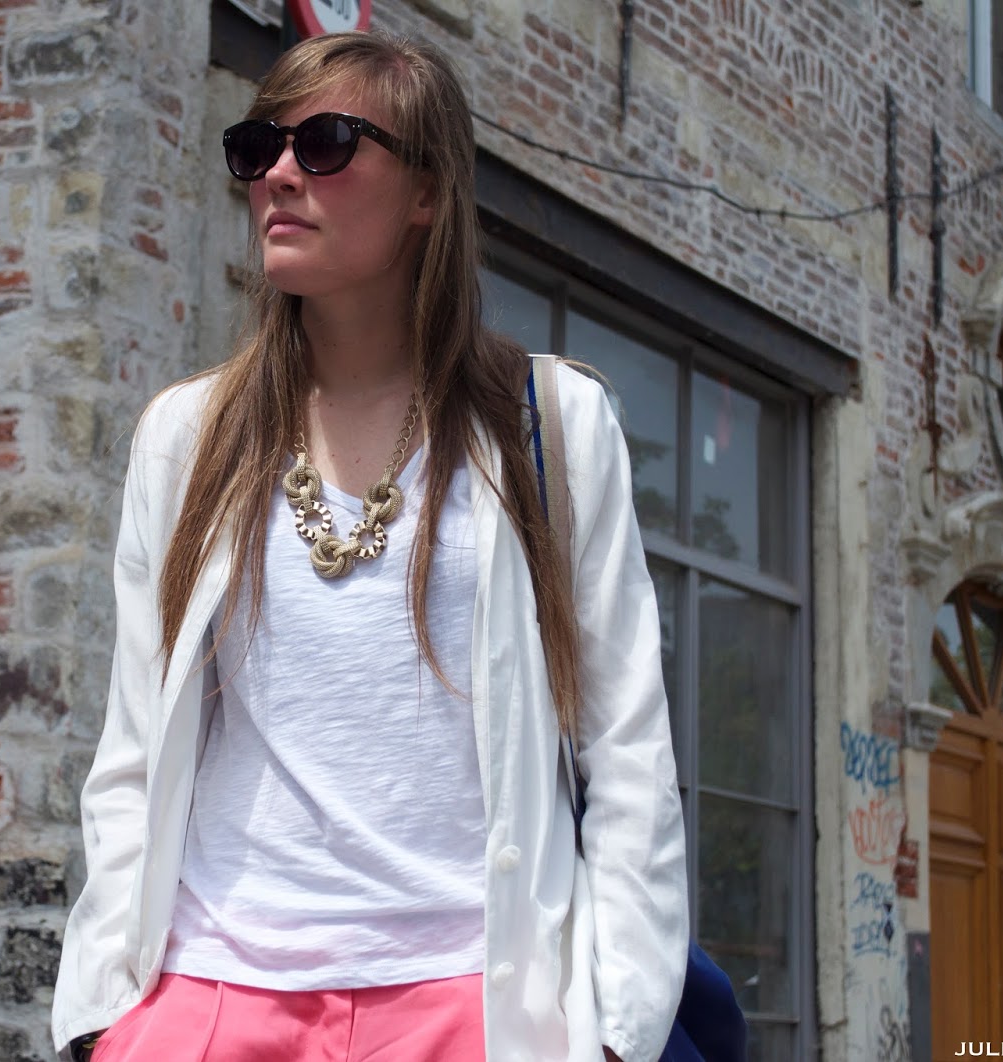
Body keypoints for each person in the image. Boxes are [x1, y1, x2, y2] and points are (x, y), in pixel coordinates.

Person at [51, 30, 687, 1062]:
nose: (279, 174)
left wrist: (617, 1031)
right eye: (258, 148)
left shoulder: (550, 425)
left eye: (327, 143)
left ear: (427, 191)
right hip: (212, 993)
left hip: (477, 1000)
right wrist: (100, 1018)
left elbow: (626, 747)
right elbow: (134, 742)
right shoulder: (188, 434)